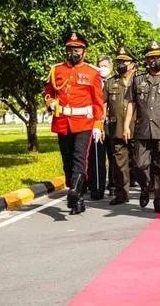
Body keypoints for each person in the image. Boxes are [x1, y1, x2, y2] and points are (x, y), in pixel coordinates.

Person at [44, 32, 105, 215]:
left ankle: (75, 191)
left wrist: (98, 124)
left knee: (80, 159)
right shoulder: (57, 70)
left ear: (84, 51)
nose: (73, 52)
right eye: (70, 49)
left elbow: (98, 101)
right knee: (67, 162)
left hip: (84, 123)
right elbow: (49, 92)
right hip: (62, 122)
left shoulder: (92, 72)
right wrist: (49, 102)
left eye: (77, 49)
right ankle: (78, 199)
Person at [124, 41, 160, 213]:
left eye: (158, 57)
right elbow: (131, 104)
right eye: (151, 57)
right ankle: (145, 187)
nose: (155, 60)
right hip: (142, 129)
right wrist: (126, 125)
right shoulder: (138, 80)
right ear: (146, 60)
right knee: (139, 165)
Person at [104, 46, 138, 205]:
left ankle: (148, 187)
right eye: (118, 61)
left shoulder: (140, 81)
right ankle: (122, 194)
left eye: (124, 61)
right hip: (116, 127)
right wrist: (100, 123)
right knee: (119, 163)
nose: (121, 64)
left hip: (138, 129)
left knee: (141, 163)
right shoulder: (111, 82)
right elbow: (103, 104)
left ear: (133, 64)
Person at [86, 55, 112, 200]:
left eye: (105, 66)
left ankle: (114, 186)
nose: (102, 69)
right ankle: (97, 187)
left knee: (115, 158)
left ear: (111, 67)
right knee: (97, 157)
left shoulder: (115, 82)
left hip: (113, 124)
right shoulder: (92, 80)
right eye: (100, 66)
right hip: (97, 124)